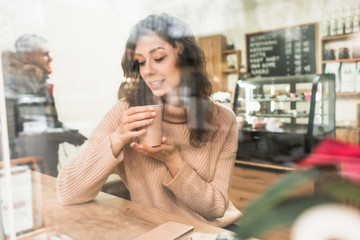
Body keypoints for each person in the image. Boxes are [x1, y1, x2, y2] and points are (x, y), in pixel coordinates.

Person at [56, 13, 241, 228]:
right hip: (160, 230)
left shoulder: (223, 120)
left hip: (213, 230)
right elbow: (67, 191)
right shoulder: (127, 111)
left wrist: (174, 160)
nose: (148, 70)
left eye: (159, 58)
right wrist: (116, 139)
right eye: (141, 62)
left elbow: (217, 208)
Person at [1, 34, 87, 177]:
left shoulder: (36, 84)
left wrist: (66, 131)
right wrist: (64, 134)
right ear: (28, 57)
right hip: (30, 169)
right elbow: (28, 130)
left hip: (41, 165)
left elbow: (48, 123)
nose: (50, 58)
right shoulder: (22, 86)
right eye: (44, 54)